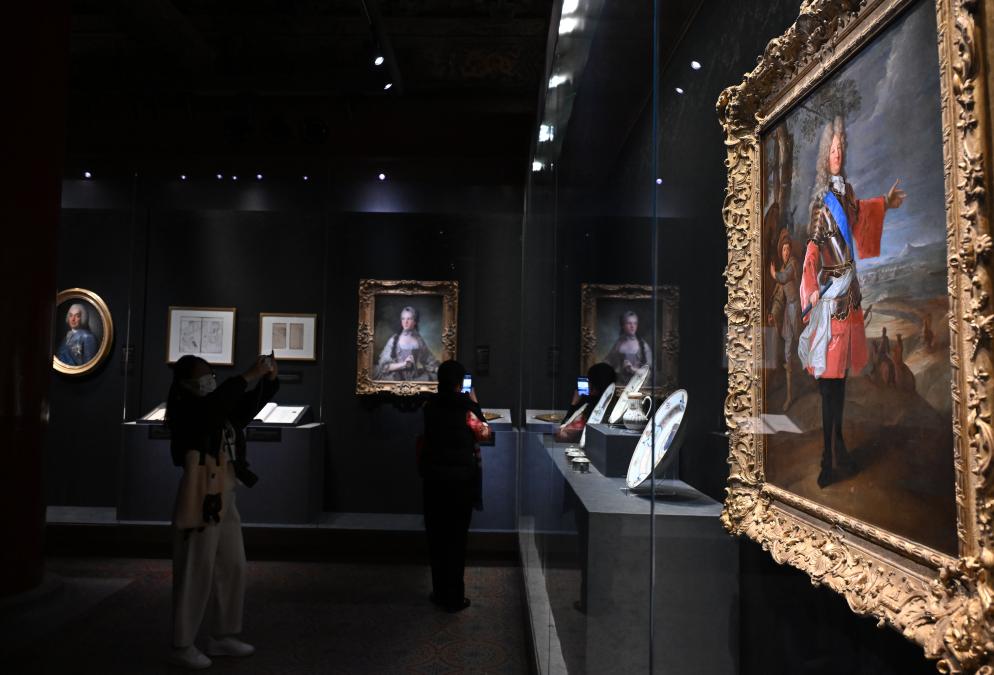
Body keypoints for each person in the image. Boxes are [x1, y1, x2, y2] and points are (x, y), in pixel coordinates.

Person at [798, 115, 906, 488]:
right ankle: (827, 460)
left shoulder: (848, 194)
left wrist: (886, 203)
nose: (838, 152)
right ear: (824, 155)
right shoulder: (821, 201)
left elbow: (861, 222)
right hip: (830, 298)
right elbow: (812, 250)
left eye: (841, 146)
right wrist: (811, 287)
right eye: (833, 147)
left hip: (850, 299)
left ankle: (839, 450)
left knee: (840, 382)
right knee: (828, 385)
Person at [165, 354, 279, 669]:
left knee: (232, 564)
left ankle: (222, 634)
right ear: (186, 384)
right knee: (196, 569)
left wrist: (268, 381)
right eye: (203, 378)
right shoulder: (190, 411)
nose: (209, 382)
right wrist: (248, 375)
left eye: (211, 376)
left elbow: (242, 407)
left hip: (224, 491)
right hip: (200, 493)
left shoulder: (214, 406)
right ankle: (182, 643)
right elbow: (214, 408)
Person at [419, 360, 491, 612]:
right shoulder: (466, 408)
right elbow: (484, 433)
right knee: (457, 540)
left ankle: (439, 592)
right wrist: (474, 402)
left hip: (433, 480)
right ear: (460, 383)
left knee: (436, 538)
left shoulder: (429, 405)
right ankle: (455, 597)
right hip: (461, 482)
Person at [767, 230, 801, 411]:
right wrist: (773, 313)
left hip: (798, 308)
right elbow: (779, 297)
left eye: (788, 249)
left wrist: (774, 274)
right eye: (783, 250)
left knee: (799, 345)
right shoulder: (782, 269)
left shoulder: (793, 264)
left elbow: (784, 277)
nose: (786, 252)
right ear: (780, 252)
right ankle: (789, 396)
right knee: (787, 352)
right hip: (788, 310)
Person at [555, 362, 617, 443]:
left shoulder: (590, 407)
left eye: (589, 381)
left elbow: (562, 433)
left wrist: (574, 404)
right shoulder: (608, 404)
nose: (588, 383)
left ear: (594, 385)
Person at [374, 306, 441, 381]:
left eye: (409, 319)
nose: (405, 322)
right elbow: (384, 367)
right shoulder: (394, 340)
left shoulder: (419, 340)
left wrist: (437, 369)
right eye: (403, 318)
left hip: (414, 378)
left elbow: (428, 360)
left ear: (415, 322)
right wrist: (404, 364)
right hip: (395, 378)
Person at [604, 311, 652, 383]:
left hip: (637, 383)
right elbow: (608, 361)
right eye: (629, 323)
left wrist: (632, 369)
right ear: (623, 325)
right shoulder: (619, 343)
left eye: (635, 323)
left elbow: (648, 371)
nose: (632, 326)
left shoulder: (643, 345)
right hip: (621, 383)